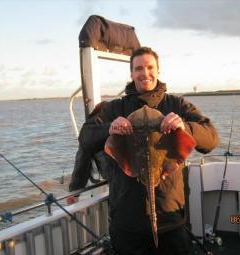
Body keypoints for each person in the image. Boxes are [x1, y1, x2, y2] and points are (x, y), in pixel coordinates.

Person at [71, 47, 218, 254]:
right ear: (131, 73)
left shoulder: (177, 105)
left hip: (171, 218)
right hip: (127, 221)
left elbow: (211, 138)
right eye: (138, 68)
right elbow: (85, 137)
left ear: (158, 71)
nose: (145, 73)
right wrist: (109, 127)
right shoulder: (115, 108)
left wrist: (185, 126)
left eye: (150, 67)